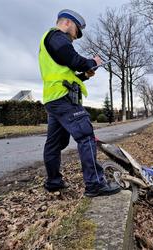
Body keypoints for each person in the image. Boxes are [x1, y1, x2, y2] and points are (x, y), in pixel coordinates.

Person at [38, 9, 120, 197]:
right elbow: (74, 59)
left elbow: (66, 74)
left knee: (54, 143)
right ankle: (95, 184)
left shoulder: (48, 42)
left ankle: (53, 182)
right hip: (65, 100)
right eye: (76, 32)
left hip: (53, 99)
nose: (74, 38)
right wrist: (92, 61)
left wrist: (84, 75)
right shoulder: (57, 36)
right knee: (86, 136)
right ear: (67, 23)